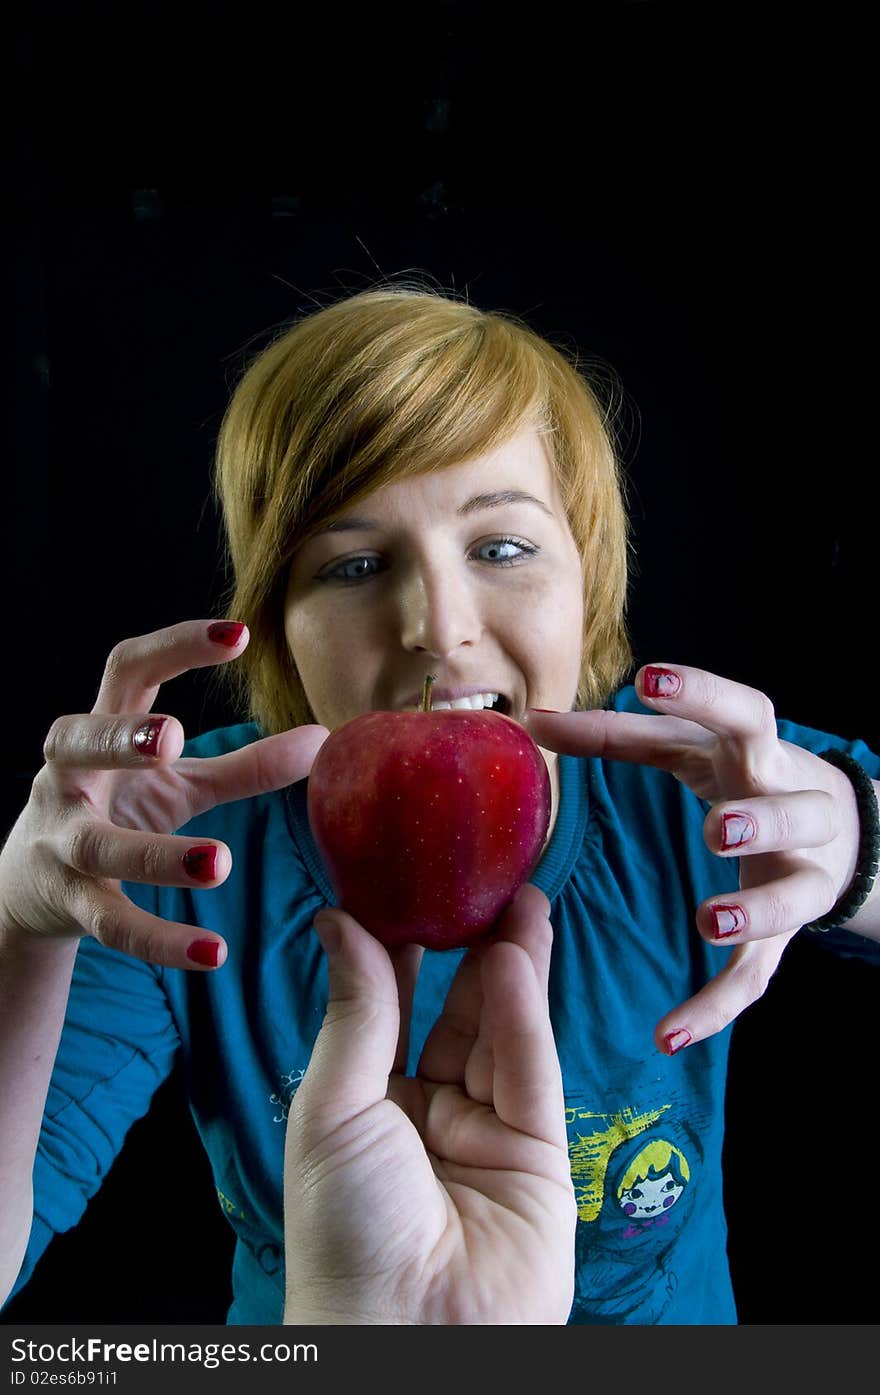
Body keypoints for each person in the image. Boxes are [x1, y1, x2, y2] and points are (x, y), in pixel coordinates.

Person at [1, 285, 877, 1325]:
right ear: (278, 622)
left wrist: (855, 844)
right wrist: (23, 933)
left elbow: (843, 840)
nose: (437, 624)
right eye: (354, 564)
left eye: (501, 547)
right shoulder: (175, 843)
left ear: (586, 570)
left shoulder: (697, 783)